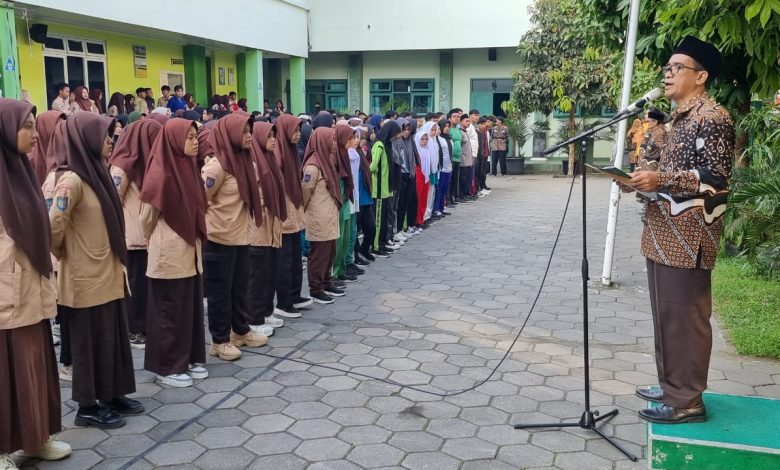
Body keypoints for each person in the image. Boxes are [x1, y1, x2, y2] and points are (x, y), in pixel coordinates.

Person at [620, 36, 735, 425]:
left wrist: (660, 178)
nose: (667, 75)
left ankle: (687, 400)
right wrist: (638, 180)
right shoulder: (677, 120)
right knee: (666, 316)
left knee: (685, 318)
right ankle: (671, 386)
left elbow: (715, 179)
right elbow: (666, 177)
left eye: (677, 68)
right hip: (662, 232)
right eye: (666, 69)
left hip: (689, 237)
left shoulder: (712, 118)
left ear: (701, 76)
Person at [49, 112, 141, 429]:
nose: (111, 141)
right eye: (105, 136)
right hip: (84, 278)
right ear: (86, 140)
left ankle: (113, 393)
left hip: (108, 273)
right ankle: (87, 406)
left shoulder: (97, 173)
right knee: (88, 343)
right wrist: (72, 256)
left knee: (112, 337)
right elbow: (53, 228)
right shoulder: (71, 180)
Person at [0, 98, 71, 468]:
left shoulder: (23, 170)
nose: (31, 133)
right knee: (5, 374)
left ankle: (35, 437)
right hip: (5, 295)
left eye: (32, 125)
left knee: (34, 370)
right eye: (24, 126)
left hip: (32, 291)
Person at [139, 119, 208, 388]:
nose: (194, 142)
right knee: (169, 309)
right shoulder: (161, 172)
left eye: (195, 137)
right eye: (189, 137)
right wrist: (152, 238)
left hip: (189, 251)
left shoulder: (188, 168)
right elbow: (147, 217)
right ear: (174, 140)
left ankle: (188, 357)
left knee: (187, 307)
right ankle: (167, 366)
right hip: (169, 250)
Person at [201, 113, 267, 362]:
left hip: (241, 235)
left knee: (240, 287)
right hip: (219, 238)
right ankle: (219, 341)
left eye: (251, 131)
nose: (249, 136)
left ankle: (240, 330)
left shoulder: (244, 160)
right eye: (245, 132)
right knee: (220, 292)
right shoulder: (216, 166)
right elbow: (201, 200)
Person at [109, 119, 163, 351]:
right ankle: (135, 330)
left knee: (144, 284)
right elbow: (112, 199)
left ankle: (145, 325)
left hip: (148, 234)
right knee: (136, 285)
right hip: (132, 236)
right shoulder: (121, 166)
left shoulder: (150, 161)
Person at [247, 121, 287, 337]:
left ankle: (266, 310)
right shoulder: (254, 162)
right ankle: (253, 317)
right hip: (258, 229)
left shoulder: (270, 159)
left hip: (272, 227)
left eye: (275, 136)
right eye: (269, 136)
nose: (274, 140)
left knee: (270, 271)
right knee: (257, 275)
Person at [273, 114, 312, 318]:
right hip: (283, 217)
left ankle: (295, 296)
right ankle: (284, 301)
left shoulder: (291, 152)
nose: (298, 135)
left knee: (295, 260)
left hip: (294, 215)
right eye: (295, 130)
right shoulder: (277, 155)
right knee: (285, 262)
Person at [302, 127, 344, 304]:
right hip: (319, 216)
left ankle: (327, 281)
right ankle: (316, 288)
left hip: (329, 214)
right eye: (332, 140)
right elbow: (305, 192)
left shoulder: (326, 160)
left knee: (330, 251)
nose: (334, 144)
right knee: (319, 254)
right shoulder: (313, 166)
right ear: (322, 141)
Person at [370, 121, 402, 257]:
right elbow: (372, 167)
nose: (396, 137)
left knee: (384, 220)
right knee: (378, 220)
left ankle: (382, 243)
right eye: (395, 134)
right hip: (379, 191)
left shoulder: (387, 145)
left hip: (386, 189)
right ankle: (376, 246)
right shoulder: (379, 145)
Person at [332, 125, 358, 283]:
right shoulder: (334, 156)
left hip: (346, 199)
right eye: (349, 138)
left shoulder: (345, 154)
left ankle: (341, 269)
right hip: (338, 202)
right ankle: (333, 273)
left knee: (345, 238)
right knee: (337, 240)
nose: (351, 141)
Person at [355, 128, 376, 263]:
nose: (362, 141)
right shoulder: (351, 154)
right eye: (359, 138)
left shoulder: (362, 154)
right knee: (354, 231)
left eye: (363, 138)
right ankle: (355, 255)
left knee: (371, 227)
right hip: (356, 198)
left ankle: (364, 248)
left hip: (365, 196)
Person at [28, 110, 65, 187]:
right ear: (44, 131)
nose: (62, 134)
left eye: (63, 129)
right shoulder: (28, 161)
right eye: (58, 130)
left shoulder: (66, 156)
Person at [434, 118, 453, 217]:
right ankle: (437, 208)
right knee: (440, 189)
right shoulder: (438, 139)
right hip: (441, 168)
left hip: (448, 167)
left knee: (445, 188)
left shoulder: (449, 138)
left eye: (448, 127)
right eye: (445, 126)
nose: (446, 128)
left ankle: (442, 207)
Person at [638, 107, 667, 172]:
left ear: (655, 120)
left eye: (646, 114)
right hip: (643, 169)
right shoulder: (649, 131)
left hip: (652, 172)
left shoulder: (660, 132)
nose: (644, 115)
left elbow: (662, 154)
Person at [447, 109, 463, 204]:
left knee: (455, 180)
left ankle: (453, 197)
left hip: (457, 158)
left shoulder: (458, 130)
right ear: (449, 118)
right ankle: (448, 198)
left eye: (458, 117)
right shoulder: (448, 130)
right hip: (450, 159)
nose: (456, 118)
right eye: (454, 116)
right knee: (449, 180)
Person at [458, 114, 475, 201]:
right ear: (461, 122)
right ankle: (461, 195)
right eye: (466, 121)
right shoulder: (460, 132)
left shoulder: (465, 132)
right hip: (463, 161)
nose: (468, 123)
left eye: (469, 121)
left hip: (468, 160)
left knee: (467, 179)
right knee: (462, 179)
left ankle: (466, 194)